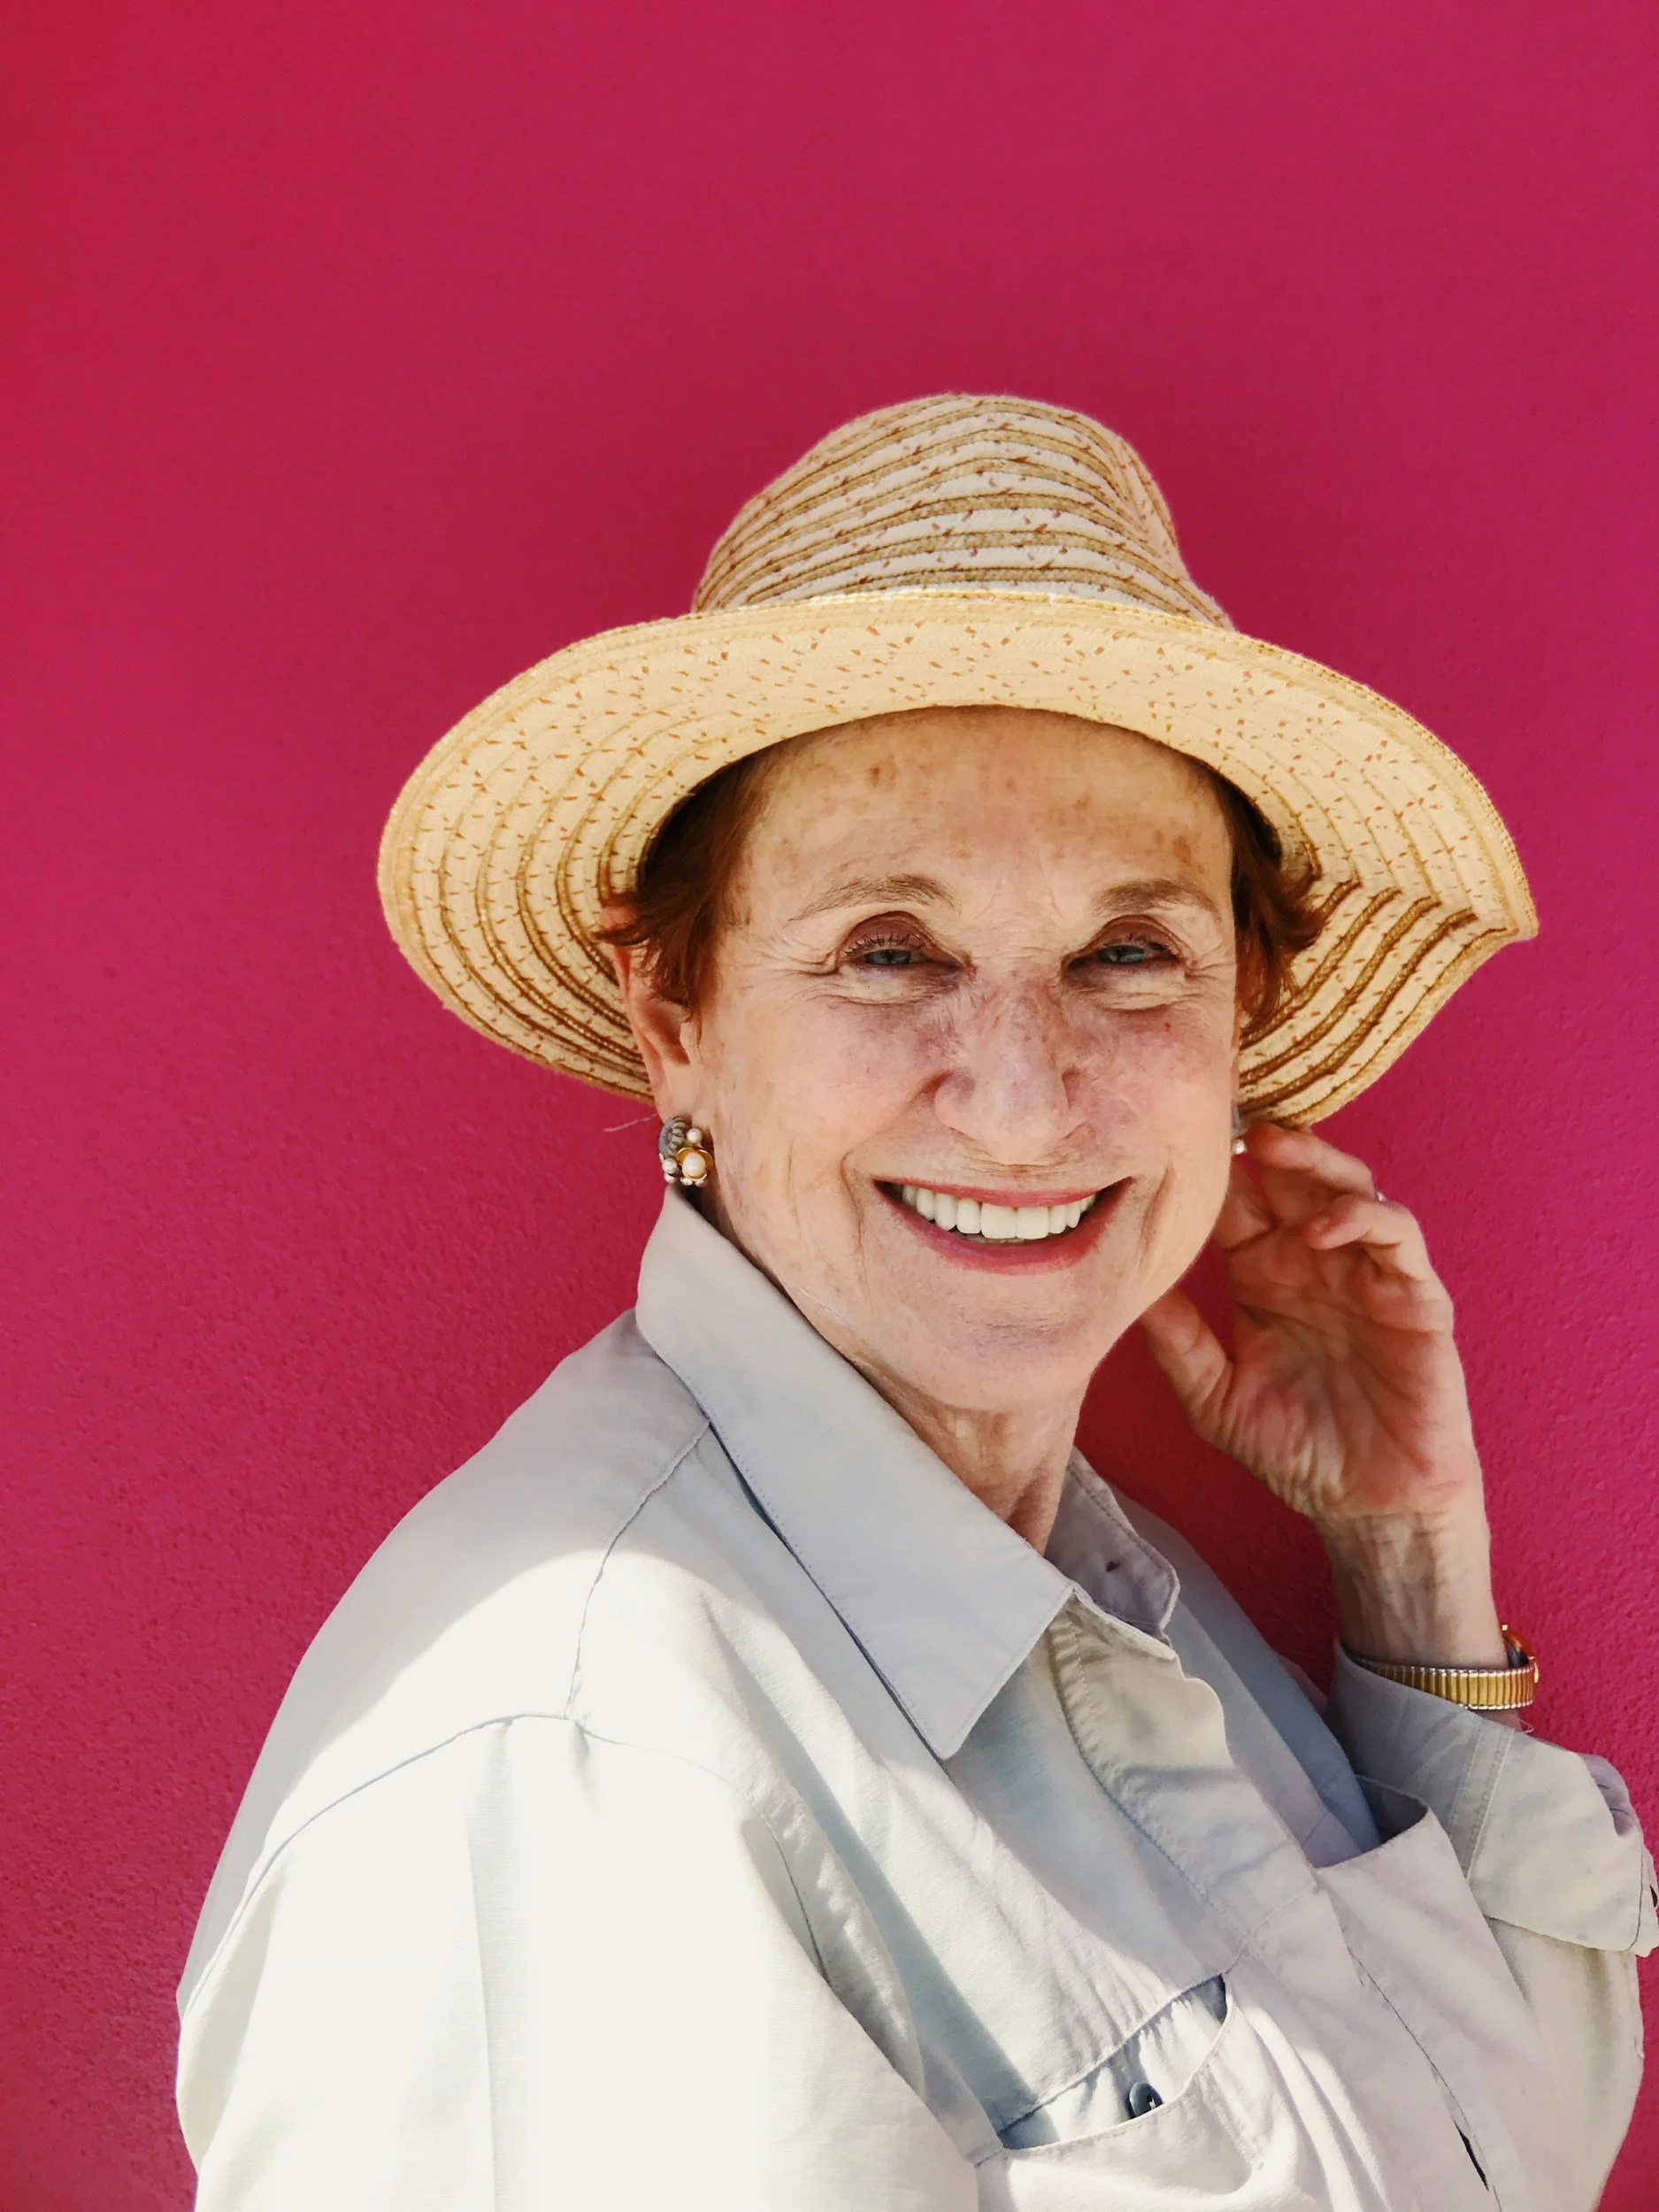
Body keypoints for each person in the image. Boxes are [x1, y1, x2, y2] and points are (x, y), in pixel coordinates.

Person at [176, 396, 1653, 2210]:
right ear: (677, 1024)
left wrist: (1408, 1564)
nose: (1026, 1097)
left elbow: (1511, 2146)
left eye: (1129, 952)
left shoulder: (1112, 1591)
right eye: (889, 951)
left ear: (1237, 1021)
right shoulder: (578, 1756)